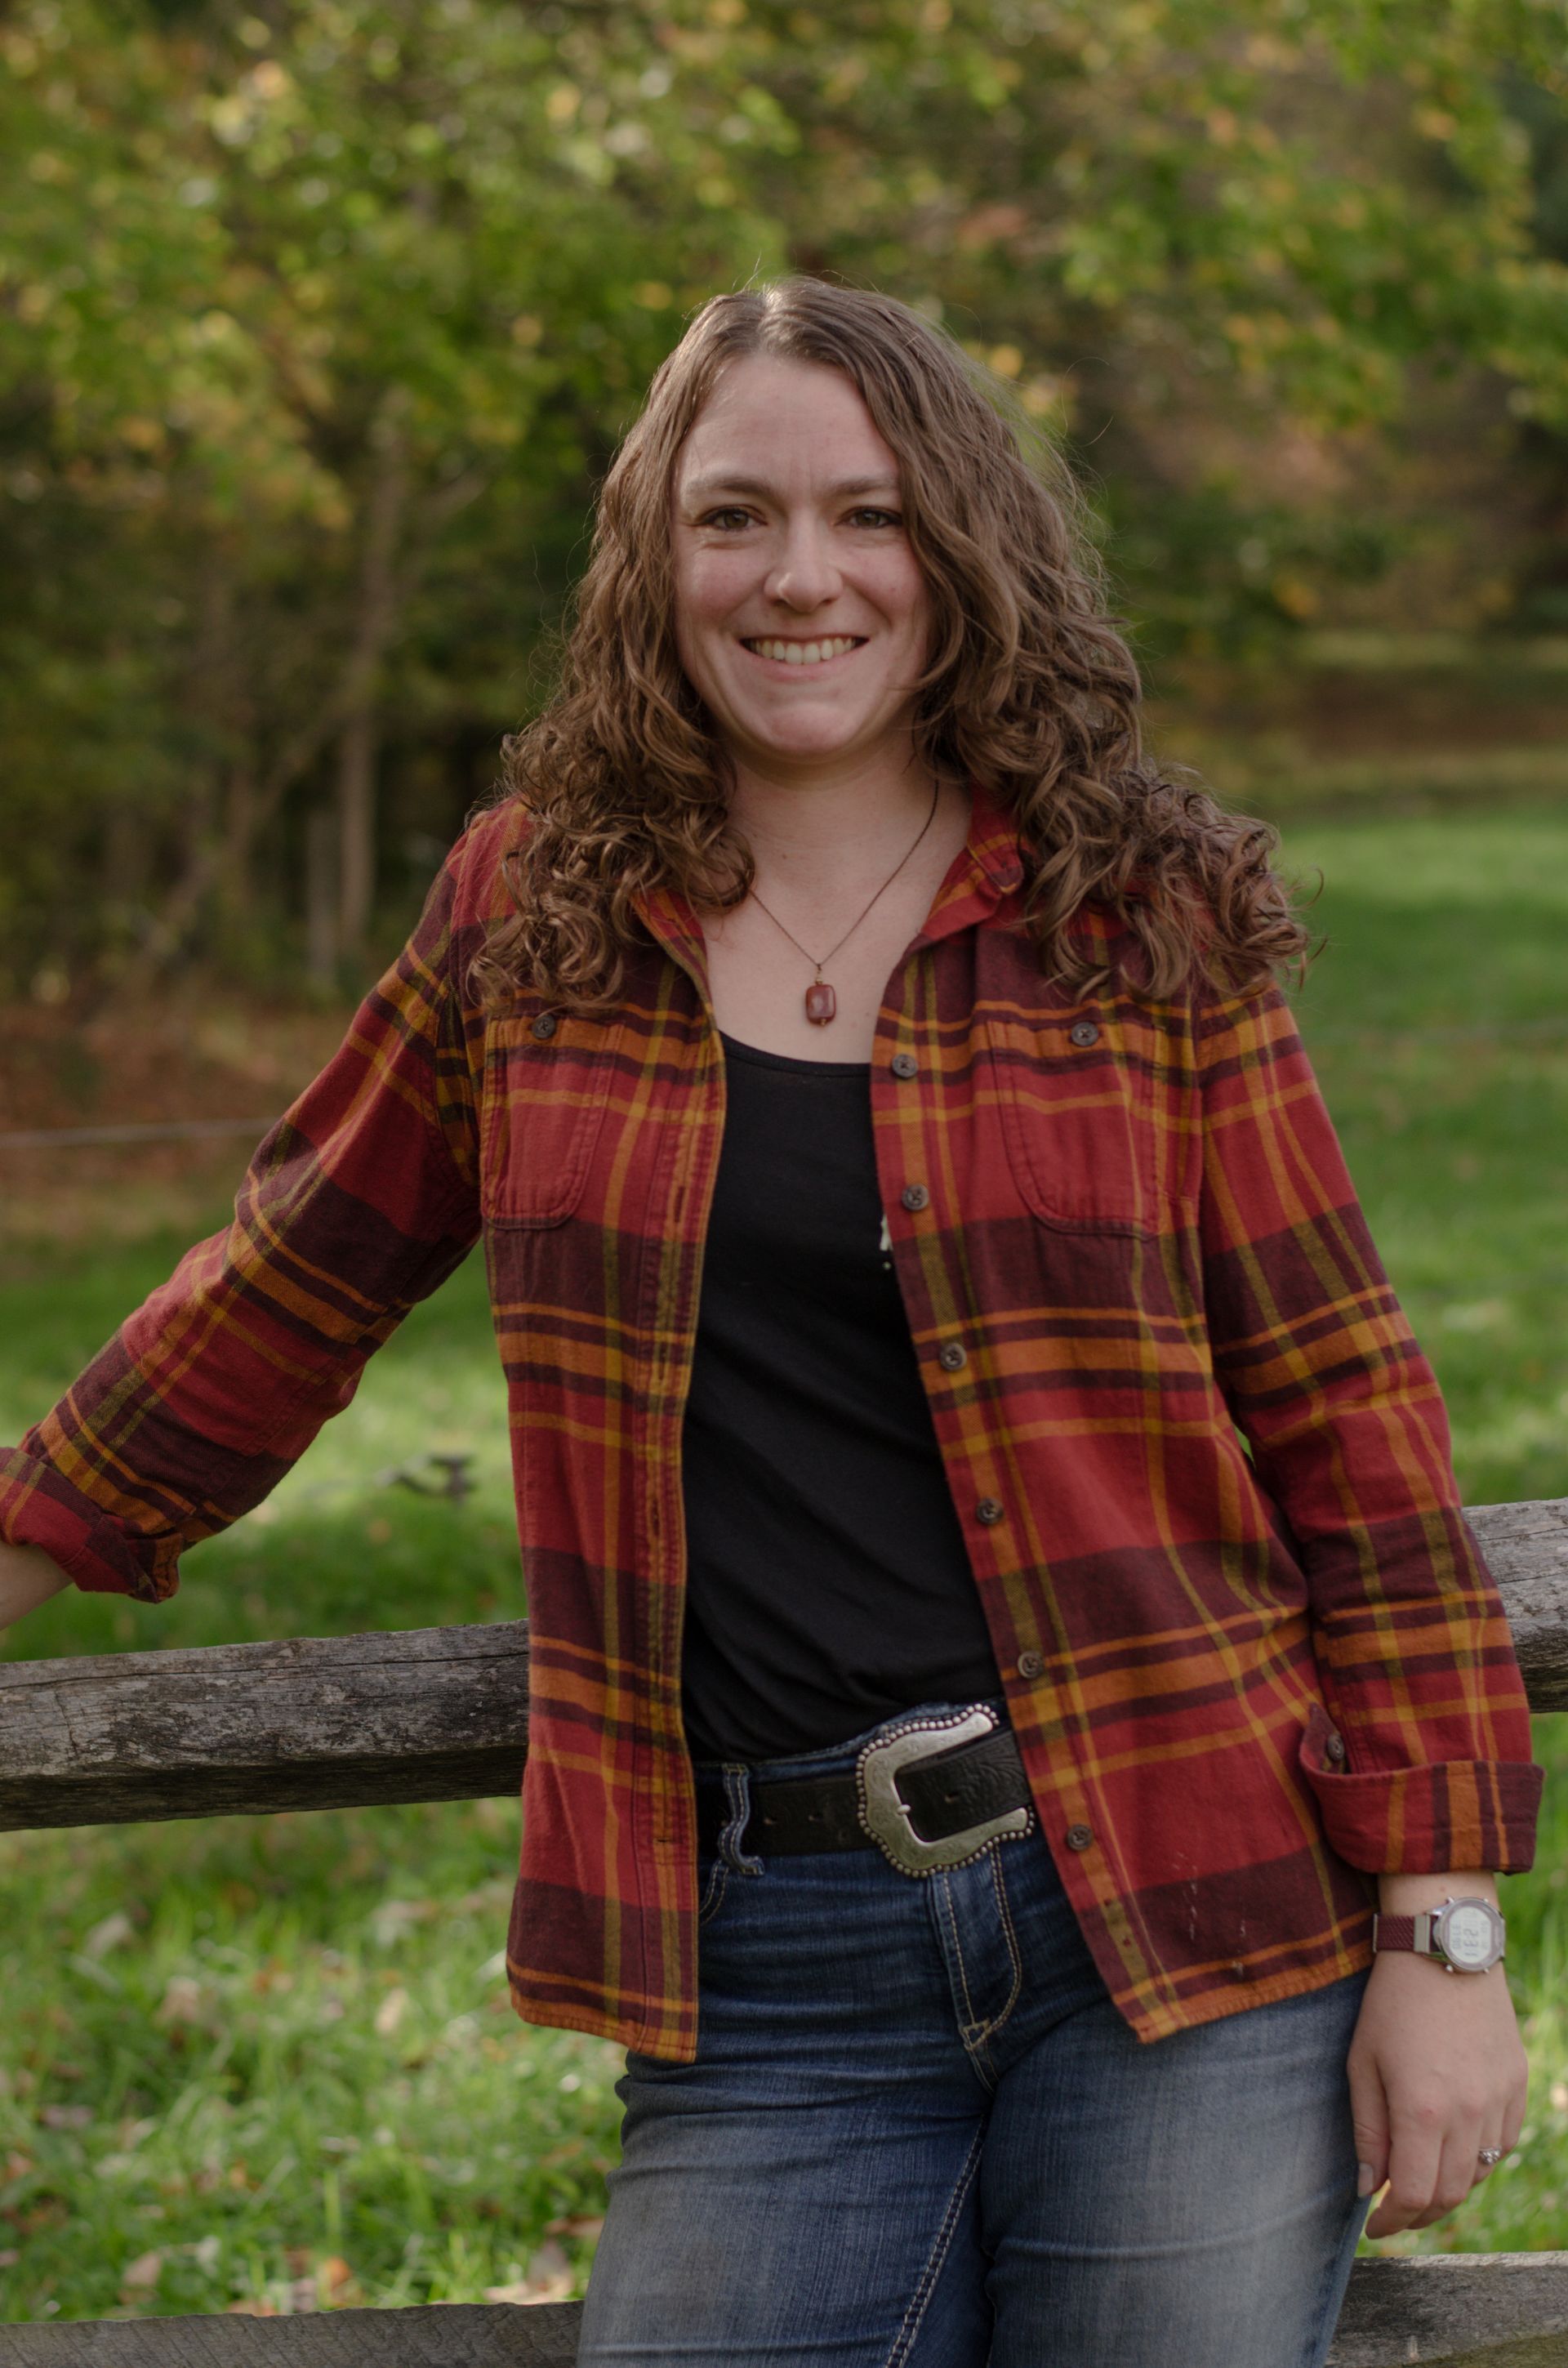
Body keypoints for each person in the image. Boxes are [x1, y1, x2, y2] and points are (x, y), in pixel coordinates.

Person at [0, 279, 1542, 2367]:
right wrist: (29, 1536)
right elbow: (292, 1271)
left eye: (869, 515)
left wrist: (1443, 1923)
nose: (801, 576)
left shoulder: (1137, 915)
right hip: (767, 1961)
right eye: (736, 518)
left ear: (964, 555)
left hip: (1185, 1902)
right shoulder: (527, 910)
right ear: (658, 559)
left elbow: (1350, 1413)